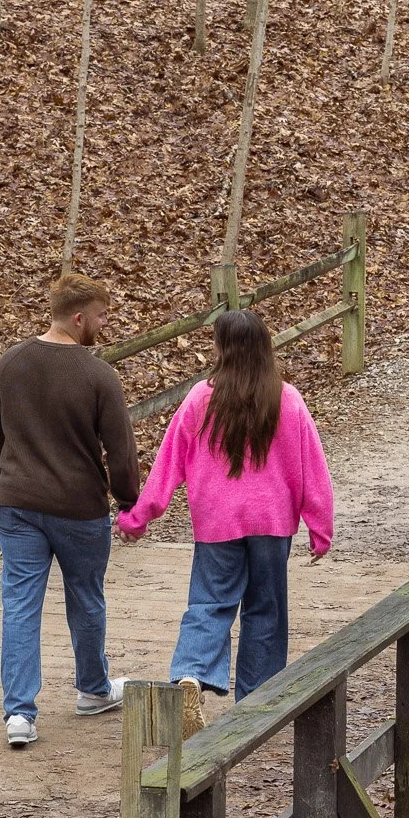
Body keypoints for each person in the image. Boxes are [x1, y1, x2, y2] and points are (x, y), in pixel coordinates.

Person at [116, 309, 334, 738]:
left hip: (216, 521)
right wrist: (319, 524)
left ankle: (191, 676)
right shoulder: (286, 398)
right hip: (272, 522)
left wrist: (140, 515)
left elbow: (168, 461)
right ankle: (256, 704)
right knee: (265, 610)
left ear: (221, 348)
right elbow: (312, 464)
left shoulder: (201, 398)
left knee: (210, 602)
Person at [0, 272, 140, 749]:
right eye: (100, 315)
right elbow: (121, 449)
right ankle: (92, 689)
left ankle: (19, 714)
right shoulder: (98, 374)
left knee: (20, 605)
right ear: (78, 317)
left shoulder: (11, 362)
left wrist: (19, 465)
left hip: (19, 504)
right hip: (79, 509)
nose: (104, 324)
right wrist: (129, 499)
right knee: (86, 599)